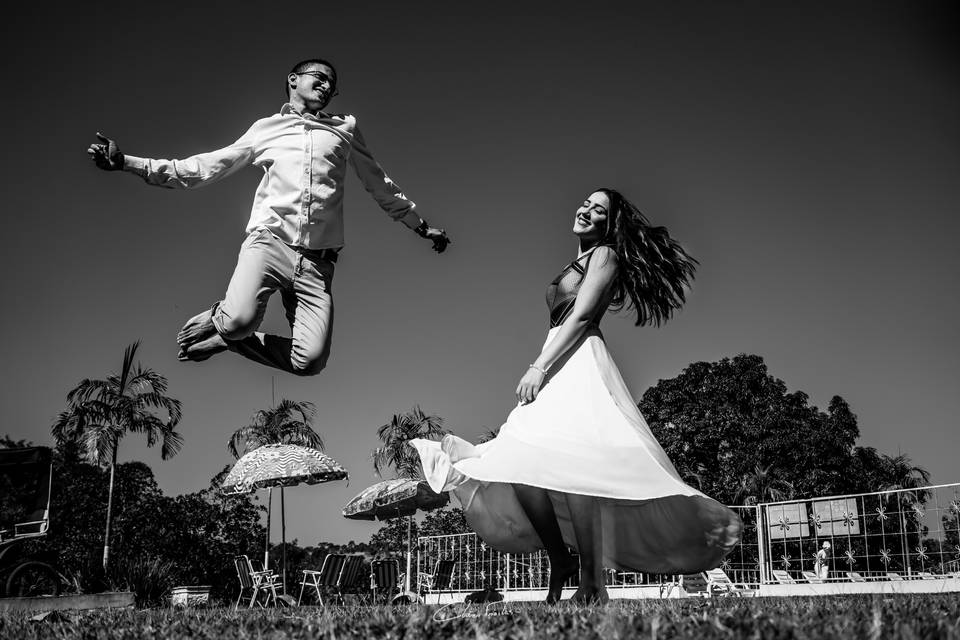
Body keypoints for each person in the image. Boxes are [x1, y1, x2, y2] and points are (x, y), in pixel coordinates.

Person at [411, 188, 741, 604]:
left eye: (598, 209)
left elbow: (582, 316)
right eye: (585, 203)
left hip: (578, 358)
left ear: (609, 224)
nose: (586, 210)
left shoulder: (605, 255)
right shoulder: (579, 261)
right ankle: (560, 559)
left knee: (578, 470)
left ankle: (592, 584)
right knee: (519, 462)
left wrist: (538, 366)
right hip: (558, 356)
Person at [87, 58, 450, 375]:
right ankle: (229, 325)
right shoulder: (265, 130)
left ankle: (232, 339)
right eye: (319, 78)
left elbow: (379, 183)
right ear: (293, 80)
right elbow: (204, 168)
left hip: (318, 264)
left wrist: (419, 226)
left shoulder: (345, 129)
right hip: (269, 245)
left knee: (310, 362)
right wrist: (128, 164)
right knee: (240, 319)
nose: (326, 86)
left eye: (332, 85)